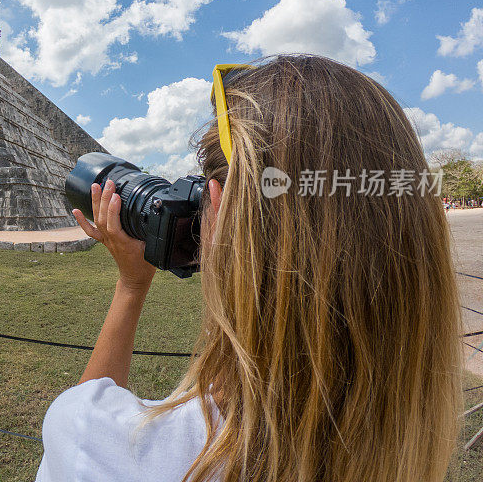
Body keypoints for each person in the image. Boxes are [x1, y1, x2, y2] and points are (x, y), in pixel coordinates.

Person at [35, 55, 462, 482]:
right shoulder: (404, 436)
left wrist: (132, 286)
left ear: (220, 212)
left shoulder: (102, 443)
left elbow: (90, 404)